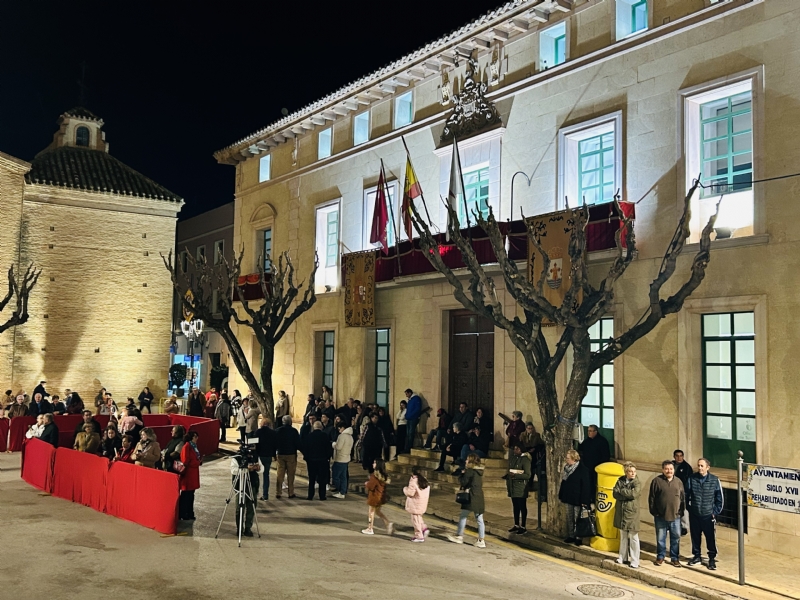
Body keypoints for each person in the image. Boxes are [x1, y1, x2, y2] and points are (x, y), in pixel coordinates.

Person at [686, 458, 723, 570]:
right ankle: (696, 556)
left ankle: (711, 558)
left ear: (708, 467)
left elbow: (719, 499)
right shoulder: (692, 478)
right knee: (695, 536)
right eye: (699, 465)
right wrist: (690, 509)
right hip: (695, 514)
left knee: (710, 537)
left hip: (708, 515)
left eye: (702, 466)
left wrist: (714, 513)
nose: (700, 468)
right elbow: (686, 495)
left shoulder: (714, 480)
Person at [648, 460, 685, 567]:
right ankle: (660, 556)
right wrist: (654, 512)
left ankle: (675, 558)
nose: (669, 471)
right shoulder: (656, 481)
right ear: (663, 470)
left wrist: (681, 512)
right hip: (660, 516)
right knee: (660, 538)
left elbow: (682, 498)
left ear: (674, 470)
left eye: (671, 469)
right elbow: (652, 498)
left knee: (676, 538)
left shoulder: (678, 482)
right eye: (666, 469)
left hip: (675, 517)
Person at [446, 453, 486, 548]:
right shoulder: (478, 472)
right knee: (479, 519)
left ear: (471, 461)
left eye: (467, 459)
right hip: (479, 497)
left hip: (470, 497)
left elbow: (463, 482)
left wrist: (462, 474)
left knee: (463, 516)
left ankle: (459, 536)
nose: (465, 461)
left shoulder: (469, 471)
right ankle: (481, 540)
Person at [559, 449, 593, 545]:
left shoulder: (583, 470)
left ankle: (578, 537)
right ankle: (571, 535)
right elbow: (564, 483)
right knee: (569, 517)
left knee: (578, 518)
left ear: (574, 458)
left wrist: (584, 501)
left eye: (568, 458)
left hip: (578, 499)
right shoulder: (566, 468)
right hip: (568, 497)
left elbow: (586, 487)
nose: (566, 460)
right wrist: (561, 495)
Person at [613, 462, 643, 568]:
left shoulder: (637, 482)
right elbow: (615, 493)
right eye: (631, 471)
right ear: (626, 472)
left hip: (632, 513)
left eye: (634, 471)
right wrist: (625, 493)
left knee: (634, 537)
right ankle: (622, 557)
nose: (633, 473)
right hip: (621, 512)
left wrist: (622, 491)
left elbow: (634, 494)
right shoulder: (620, 480)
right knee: (623, 536)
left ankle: (635, 560)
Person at [230, 445, 260, 537]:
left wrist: (257, 467)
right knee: (240, 508)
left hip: (252, 484)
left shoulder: (255, 457)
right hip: (240, 486)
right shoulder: (236, 458)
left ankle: (248, 528)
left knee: (251, 507)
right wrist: (246, 469)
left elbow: (261, 468)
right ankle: (239, 529)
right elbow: (234, 471)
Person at [506, 442, 532, 534]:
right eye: (514, 449)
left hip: (521, 487)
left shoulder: (525, 460)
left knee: (522, 506)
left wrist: (516, 476)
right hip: (513, 486)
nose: (515, 450)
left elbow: (528, 475)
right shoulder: (513, 459)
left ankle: (523, 526)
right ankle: (516, 524)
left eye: (517, 449)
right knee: (515, 506)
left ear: (521, 450)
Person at [361, 459, 393, 535]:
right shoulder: (384, 476)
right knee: (378, 512)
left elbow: (371, 486)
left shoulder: (374, 476)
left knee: (371, 512)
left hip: (374, 496)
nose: (373, 464)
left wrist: (366, 483)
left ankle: (370, 528)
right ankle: (387, 523)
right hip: (380, 496)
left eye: (375, 463)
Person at [303, 421, 333, 500]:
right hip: (322, 460)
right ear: (321, 427)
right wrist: (327, 457)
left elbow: (305, 448)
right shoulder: (325, 436)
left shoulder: (309, 436)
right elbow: (328, 449)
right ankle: (322, 496)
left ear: (313, 427)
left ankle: (310, 495)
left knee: (312, 479)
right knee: (322, 479)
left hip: (311, 461)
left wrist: (307, 458)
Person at [578, 424, 611, 488]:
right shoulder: (586, 442)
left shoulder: (602, 441)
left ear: (595, 432)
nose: (589, 433)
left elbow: (605, 455)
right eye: (588, 431)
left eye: (591, 431)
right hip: (587, 467)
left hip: (597, 467)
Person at [179, 431, 202, 521]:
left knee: (191, 494)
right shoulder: (187, 446)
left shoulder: (193, 446)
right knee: (186, 495)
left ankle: (189, 512)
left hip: (193, 473)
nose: (197, 439)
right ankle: (183, 513)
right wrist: (197, 462)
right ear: (191, 437)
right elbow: (185, 461)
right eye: (195, 437)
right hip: (188, 474)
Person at [275, 415, 299, 499]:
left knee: (280, 474)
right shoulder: (294, 431)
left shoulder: (278, 431)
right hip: (291, 454)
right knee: (291, 474)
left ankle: (278, 492)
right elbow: (297, 443)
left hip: (281, 454)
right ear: (290, 422)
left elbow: (275, 443)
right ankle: (290, 492)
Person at [403, 467, 430, 542]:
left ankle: (419, 536)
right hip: (422, 503)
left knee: (415, 520)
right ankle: (424, 528)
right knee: (419, 518)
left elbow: (410, 493)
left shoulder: (414, 481)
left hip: (415, 504)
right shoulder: (424, 481)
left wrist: (405, 489)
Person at [255, 415, 276, 501]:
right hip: (268, 456)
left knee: (256, 475)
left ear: (262, 424)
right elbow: (274, 445)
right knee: (266, 475)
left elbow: (255, 445)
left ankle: (255, 493)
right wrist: (274, 455)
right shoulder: (273, 433)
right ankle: (265, 495)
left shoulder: (258, 432)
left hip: (260, 456)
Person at [673, 449, 693, 535]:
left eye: (681, 456)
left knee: (683, 509)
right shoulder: (671, 464)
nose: (679, 458)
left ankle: (684, 527)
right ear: (674, 457)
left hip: (683, 491)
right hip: (672, 491)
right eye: (677, 456)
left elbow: (689, 480)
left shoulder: (687, 467)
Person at [331, 421, 353, 499]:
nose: (339, 430)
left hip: (340, 458)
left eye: (339, 428)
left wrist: (333, 444)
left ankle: (341, 490)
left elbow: (338, 447)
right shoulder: (350, 436)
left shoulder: (342, 436)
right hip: (346, 458)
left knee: (335, 476)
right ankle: (343, 492)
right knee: (343, 476)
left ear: (343, 428)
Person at [403, 389, 422, 453]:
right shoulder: (410, 400)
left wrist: (410, 415)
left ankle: (409, 447)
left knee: (411, 433)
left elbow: (417, 409)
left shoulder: (416, 399)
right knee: (408, 434)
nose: (406, 396)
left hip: (413, 418)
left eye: (407, 394)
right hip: (409, 418)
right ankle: (407, 447)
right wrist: (406, 415)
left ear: (410, 393)